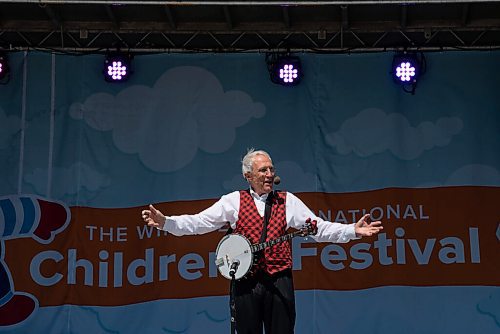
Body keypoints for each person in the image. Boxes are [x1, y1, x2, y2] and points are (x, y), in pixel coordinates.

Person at [141, 149, 383, 334]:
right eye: (263, 170)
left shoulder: (288, 201)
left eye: (271, 169)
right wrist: (166, 222)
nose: (269, 175)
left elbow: (318, 228)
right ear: (248, 176)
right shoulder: (233, 201)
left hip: (280, 279)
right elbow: (199, 222)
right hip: (246, 282)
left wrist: (352, 230)